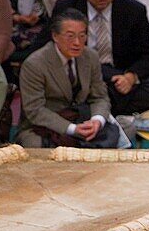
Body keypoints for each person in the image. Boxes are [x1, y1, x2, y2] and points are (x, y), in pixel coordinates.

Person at [52, 0, 149, 116]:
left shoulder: (133, 10)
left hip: (117, 77)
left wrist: (130, 77)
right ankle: (99, 109)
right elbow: (47, 46)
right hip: (78, 75)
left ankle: (86, 110)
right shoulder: (65, 8)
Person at [16, 9, 113, 148]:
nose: (77, 43)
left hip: (82, 118)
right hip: (45, 126)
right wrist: (72, 129)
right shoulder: (34, 64)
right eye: (70, 36)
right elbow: (35, 110)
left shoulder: (91, 57)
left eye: (82, 36)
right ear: (55, 36)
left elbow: (100, 97)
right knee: (34, 146)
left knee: (125, 129)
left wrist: (96, 121)